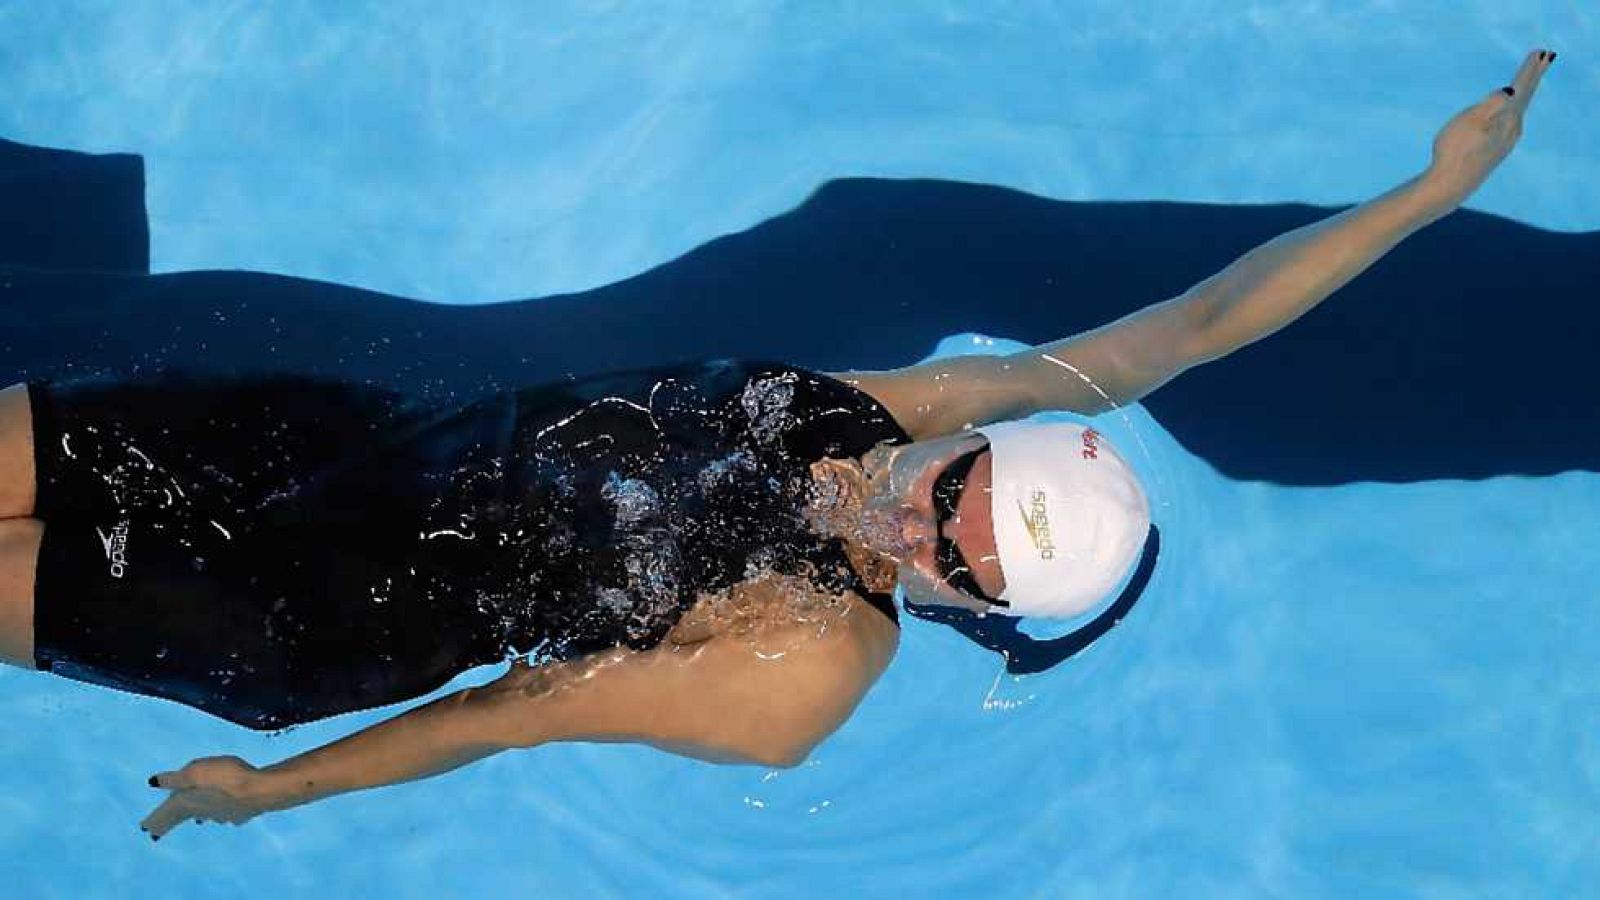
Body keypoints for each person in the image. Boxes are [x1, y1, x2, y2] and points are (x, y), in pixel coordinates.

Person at [0, 50, 1553, 840]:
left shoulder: (797, 670)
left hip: (288, 619)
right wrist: (1425, 199)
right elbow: (1194, 328)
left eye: (958, 570)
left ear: (972, 612)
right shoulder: (888, 418)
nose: (921, 536)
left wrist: (272, 792)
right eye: (955, 503)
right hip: (316, 440)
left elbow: (514, 716)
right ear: (974, 451)